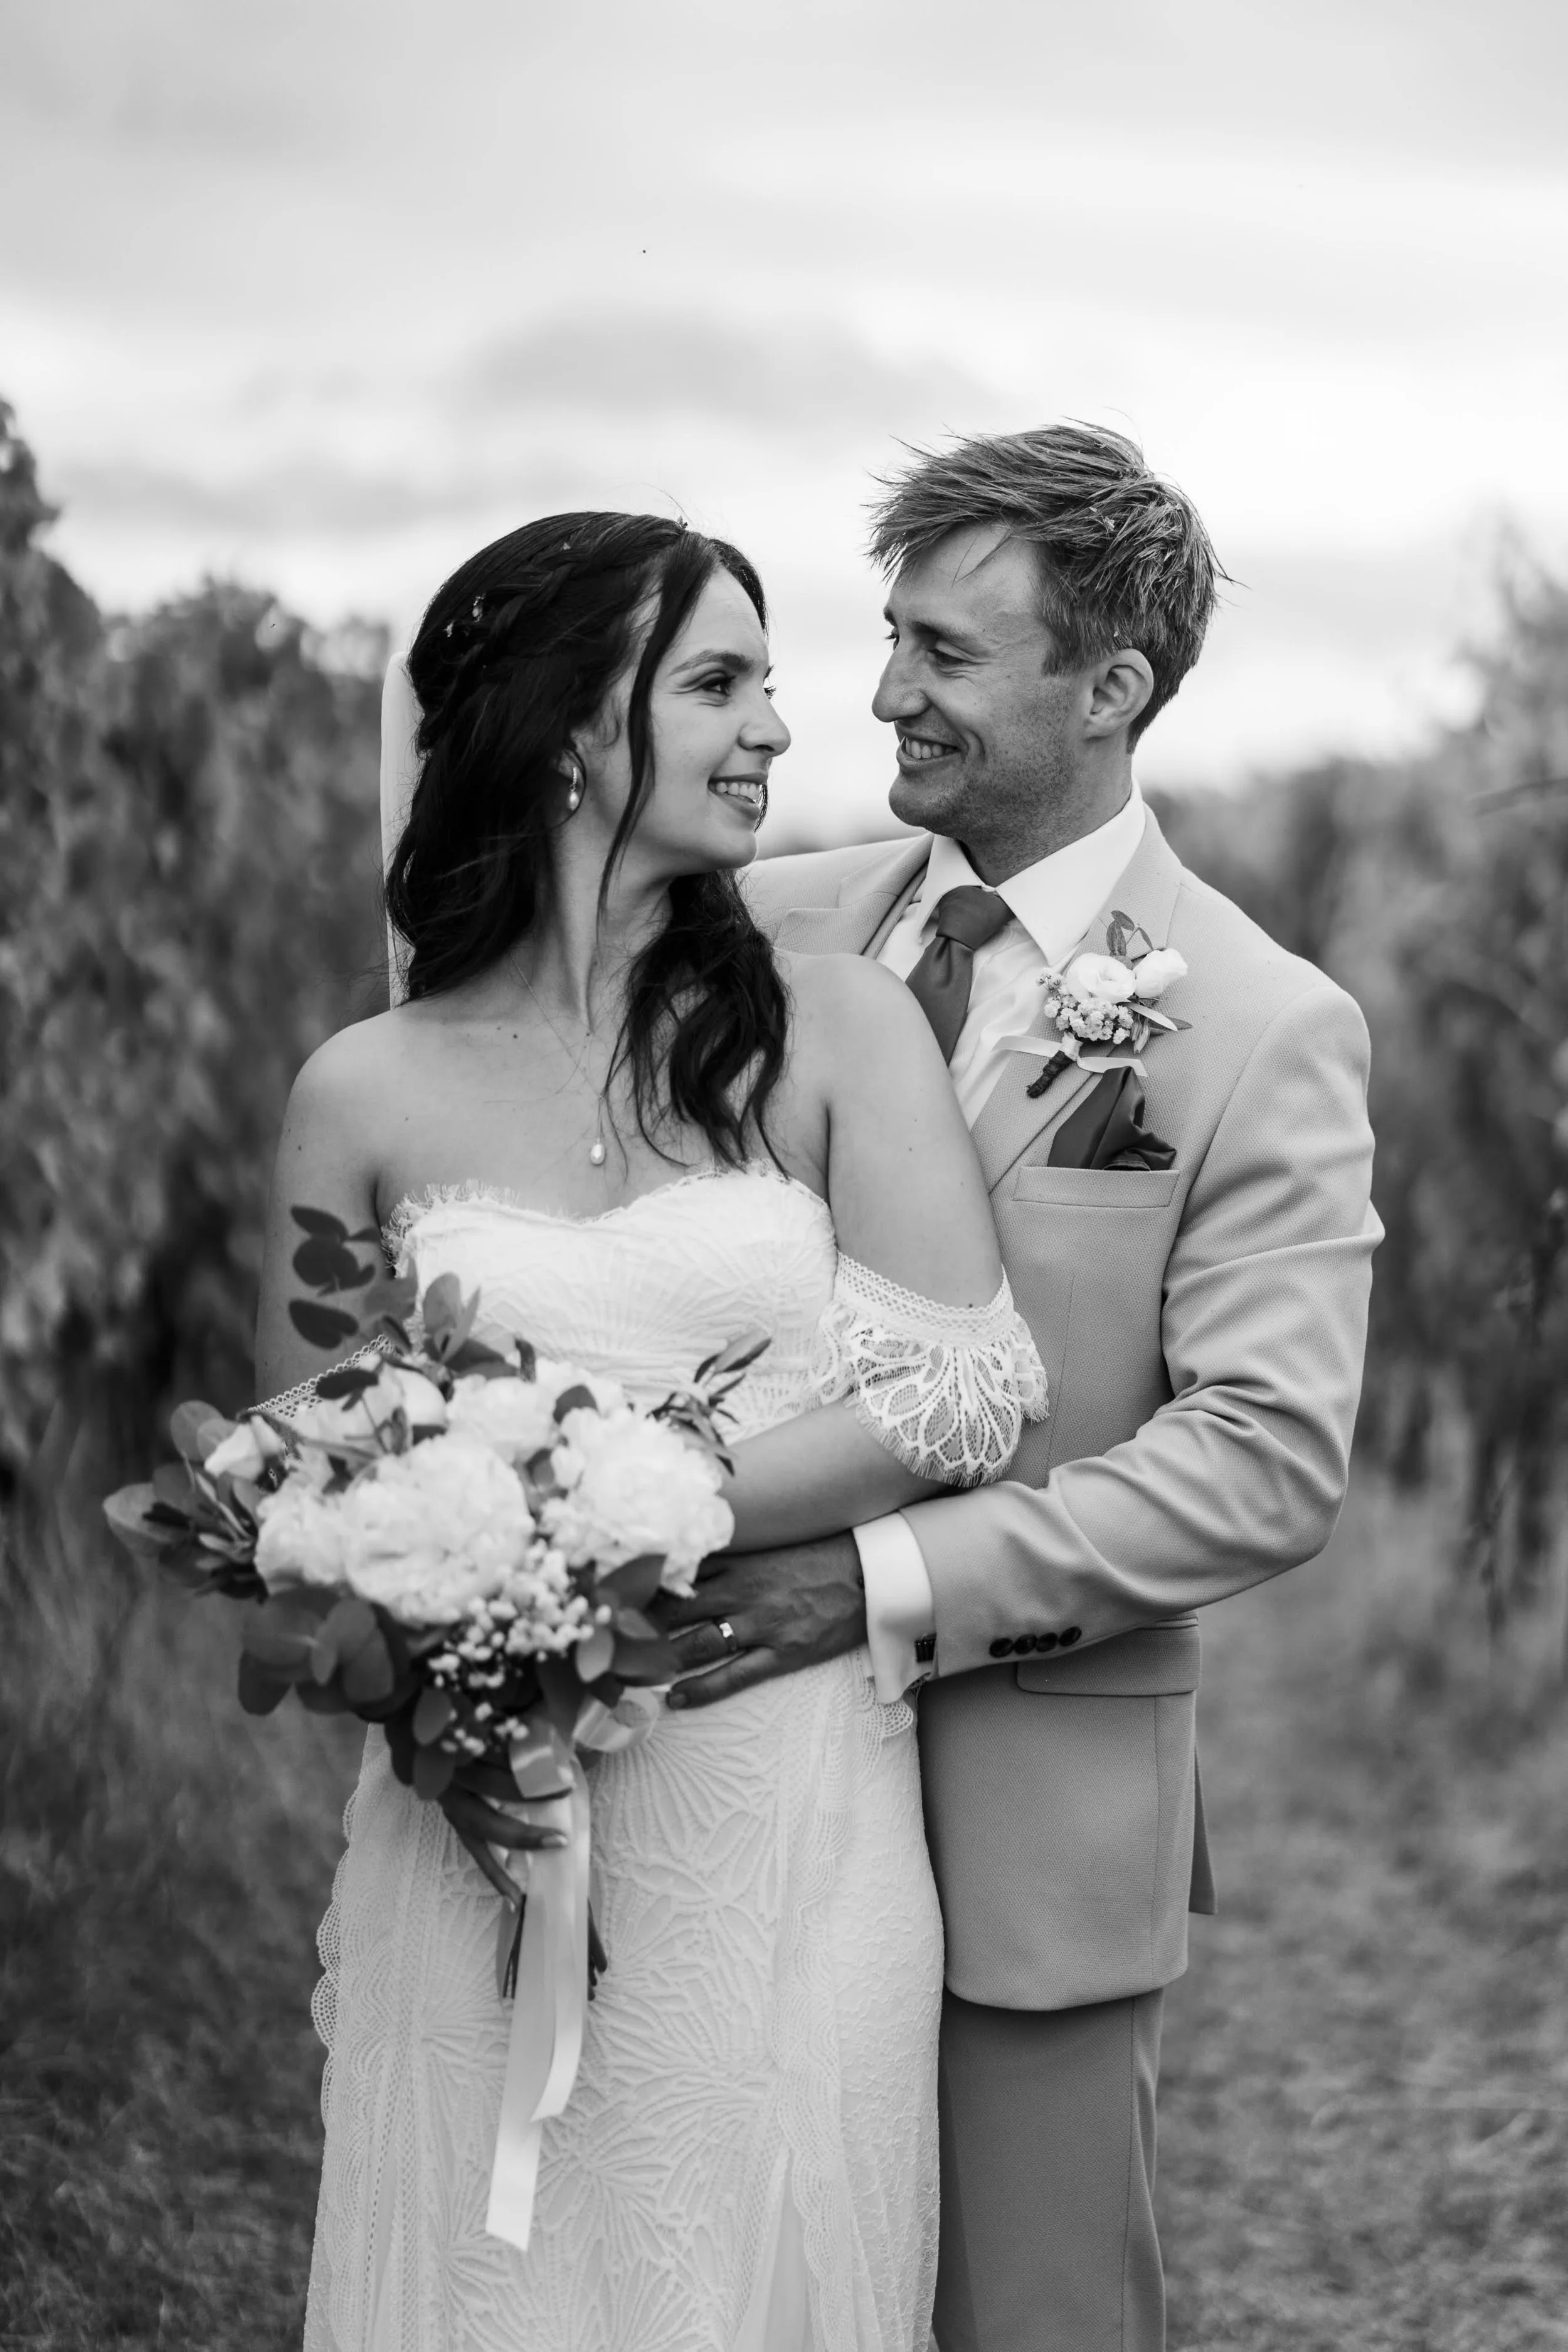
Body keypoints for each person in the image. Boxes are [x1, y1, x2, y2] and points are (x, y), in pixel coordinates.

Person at [257, 511, 1047, 2352]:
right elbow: (297, 1498)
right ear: (561, 733)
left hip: (784, 1812)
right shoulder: (361, 1089)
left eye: (768, 679)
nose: (778, 723)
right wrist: (466, 1708)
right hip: (480, 1826)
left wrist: (629, 1506)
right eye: (717, 682)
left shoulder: (836, 1027)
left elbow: (963, 1390)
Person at [671, 424, 1382, 2352]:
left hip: (1029, 1806)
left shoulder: (1258, 1025)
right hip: (705, 1771)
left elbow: (1259, 1460)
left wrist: (876, 1581)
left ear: (1111, 685)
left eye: (945, 653)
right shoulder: (759, 923)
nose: (884, 691)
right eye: (885, 633)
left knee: (1032, 2319)